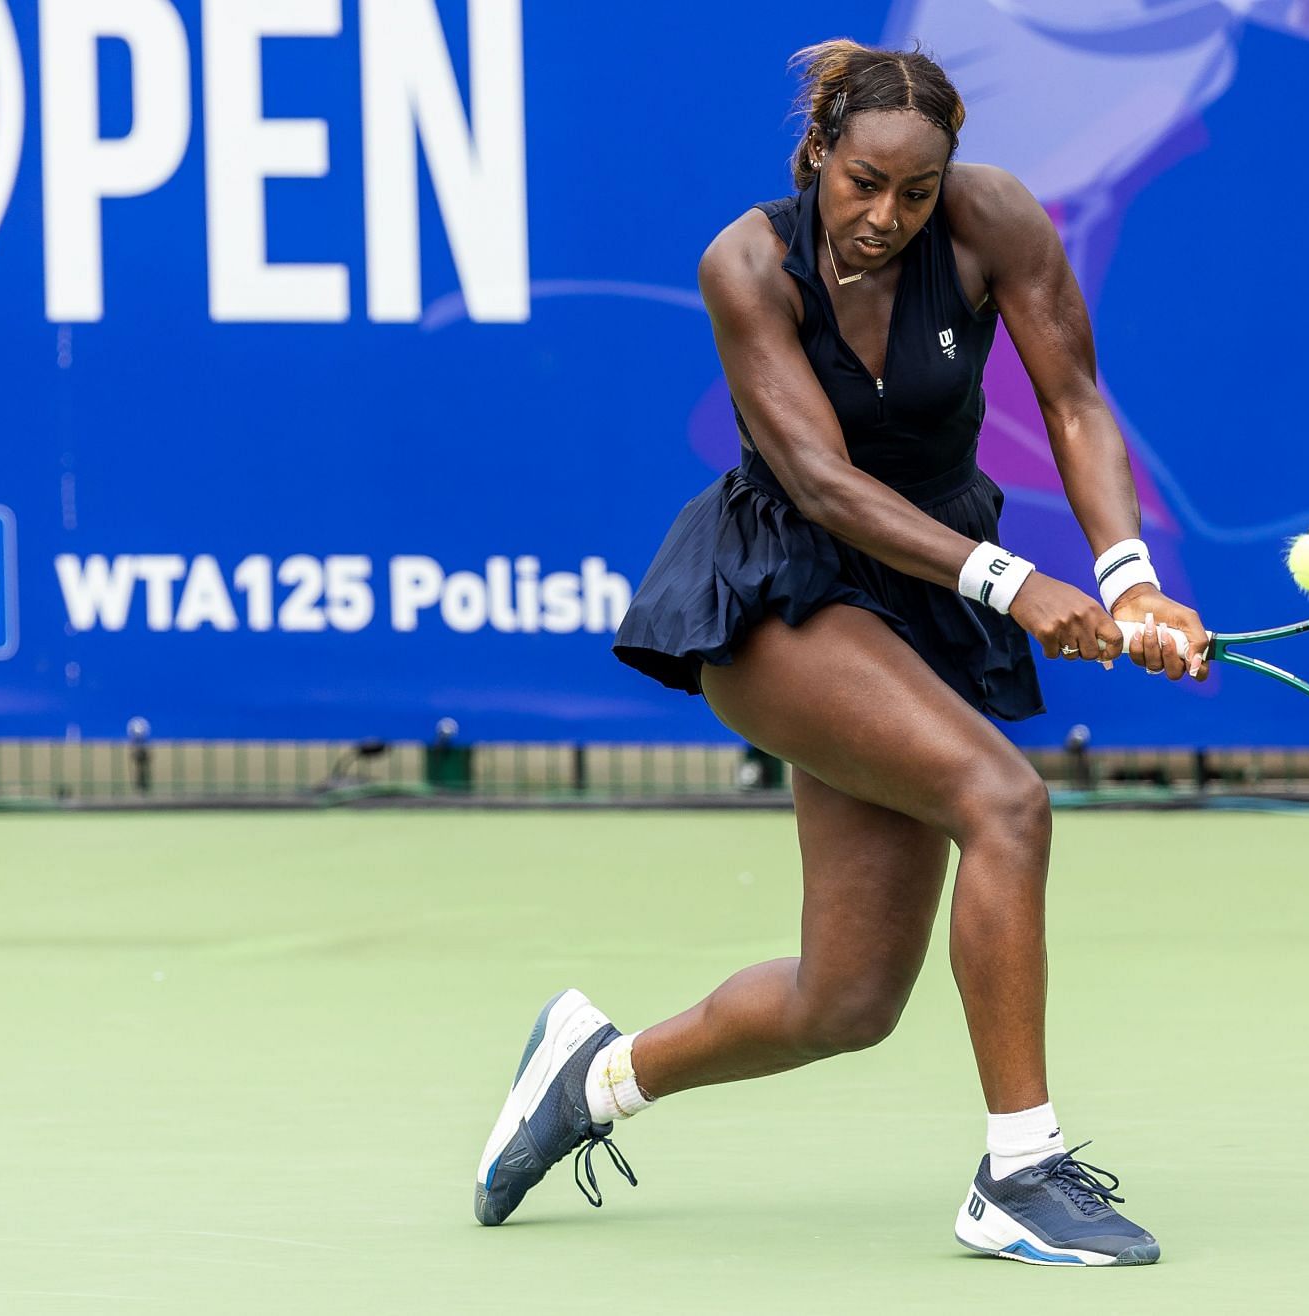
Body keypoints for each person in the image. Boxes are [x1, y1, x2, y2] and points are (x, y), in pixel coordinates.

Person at [472, 39, 1208, 1268]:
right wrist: (1018, 582)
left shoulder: (994, 225)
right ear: (819, 153)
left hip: (923, 594)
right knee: (1005, 803)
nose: (886, 216)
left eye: (915, 193)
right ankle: (1020, 1169)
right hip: (778, 594)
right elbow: (822, 482)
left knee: (847, 1000)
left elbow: (1074, 399)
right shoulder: (746, 262)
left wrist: (1130, 576)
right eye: (864, 182)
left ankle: (592, 1078)